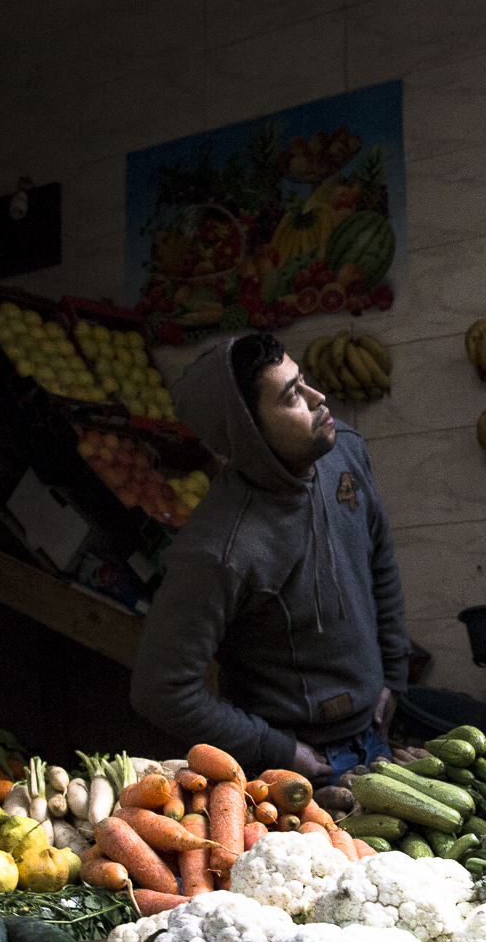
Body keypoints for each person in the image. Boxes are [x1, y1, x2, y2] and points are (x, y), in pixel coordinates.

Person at [130, 331, 408, 782]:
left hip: (374, 735)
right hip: (294, 772)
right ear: (249, 430)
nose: (319, 399)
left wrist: (393, 675)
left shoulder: (346, 452)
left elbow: (379, 558)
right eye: (292, 396)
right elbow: (161, 690)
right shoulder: (218, 548)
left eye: (305, 381)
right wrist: (277, 749)